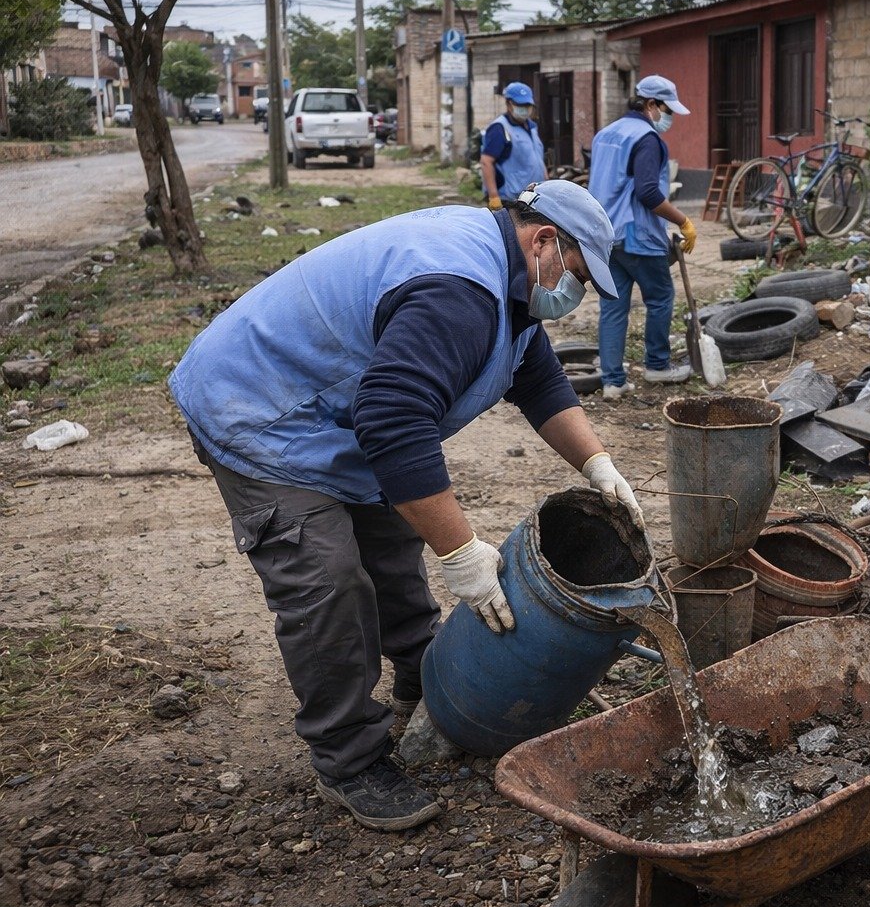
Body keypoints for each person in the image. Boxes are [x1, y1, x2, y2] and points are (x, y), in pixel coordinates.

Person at [168, 180, 644, 832]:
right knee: (327, 579)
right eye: (580, 278)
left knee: (393, 544)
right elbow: (392, 420)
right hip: (259, 411)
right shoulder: (461, 293)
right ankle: (349, 760)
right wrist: (461, 552)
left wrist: (597, 463)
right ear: (544, 241)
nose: (577, 298)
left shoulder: (507, 280)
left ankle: (429, 679)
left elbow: (536, 375)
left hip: (333, 420)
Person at [589, 74, 699, 399]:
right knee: (661, 296)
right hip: (638, 234)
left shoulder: (606, 134)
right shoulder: (647, 139)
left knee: (613, 306)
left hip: (606, 235)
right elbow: (649, 192)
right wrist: (684, 222)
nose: (670, 119)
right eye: (668, 110)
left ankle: (612, 381)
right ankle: (657, 365)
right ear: (651, 104)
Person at [480, 82, 546, 210]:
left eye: (527, 105)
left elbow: (538, 158)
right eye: (520, 105)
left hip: (533, 198)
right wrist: (494, 197)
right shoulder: (499, 128)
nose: (525, 108)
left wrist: (546, 181)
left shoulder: (532, 127)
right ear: (509, 104)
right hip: (511, 200)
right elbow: (486, 162)